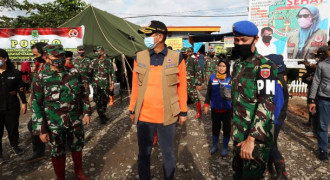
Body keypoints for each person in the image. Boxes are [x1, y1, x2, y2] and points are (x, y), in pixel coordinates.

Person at [128, 20, 188, 180]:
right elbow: (135, 86)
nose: (145, 38)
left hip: (167, 117)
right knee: (144, 154)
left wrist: (183, 111)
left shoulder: (177, 57)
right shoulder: (139, 57)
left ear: (160, 37)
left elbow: (182, 87)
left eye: (148, 35)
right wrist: (132, 109)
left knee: (168, 154)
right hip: (144, 116)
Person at [31, 44, 91, 179]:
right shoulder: (40, 78)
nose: (60, 58)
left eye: (62, 55)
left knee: (77, 145)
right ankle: (60, 177)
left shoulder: (74, 73)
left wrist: (87, 112)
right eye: (56, 56)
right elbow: (36, 104)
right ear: (46, 58)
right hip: (54, 123)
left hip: (74, 119)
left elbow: (84, 94)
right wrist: (41, 129)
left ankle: (78, 171)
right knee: (57, 151)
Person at [231, 20, 277, 179]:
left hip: (254, 139)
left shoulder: (265, 66)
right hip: (238, 134)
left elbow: (267, 105)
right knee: (238, 174)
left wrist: (251, 140)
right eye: (237, 40)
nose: (239, 44)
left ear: (255, 39)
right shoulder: (237, 65)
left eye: (244, 40)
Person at [0, 49, 27, 163]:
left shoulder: (15, 72)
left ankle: (15, 146)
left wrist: (24, 102)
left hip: (11, 106)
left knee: (13, 128)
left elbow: (20, 88)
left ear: (5, 59)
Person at [265, 54, 288, 179]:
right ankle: (270, 167)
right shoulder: (277, 78)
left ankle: (282, 172)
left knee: (271, 144)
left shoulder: (276, 81)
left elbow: (278, 103)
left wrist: (273, 120)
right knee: (270, 142)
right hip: (276, 117)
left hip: (275, 118)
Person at [24, 42, 49, 162]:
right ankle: (39, 152)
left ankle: (65, 147)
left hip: (49, 103)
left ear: (44, 52)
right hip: (39, 102)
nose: (35, 56)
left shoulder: (50, 65)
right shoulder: (40, 65)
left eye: (36, 54)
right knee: (34, 125)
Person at [204, 59, 231, 156]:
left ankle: (224, 147)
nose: (221, 68)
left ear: (227, 68)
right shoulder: (212, 78)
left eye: (224, 66)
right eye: (220, 66)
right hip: (215, 109)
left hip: (227, 110)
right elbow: (208, 92)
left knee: (226, 129)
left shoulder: (231, 79)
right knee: (215, 128)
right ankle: (214, 145)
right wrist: (206, 104)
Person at [308, 45, 330, 162]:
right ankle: (323, 151)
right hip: (324, 99)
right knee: (322, 126)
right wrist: (312, 99)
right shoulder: (322, 65)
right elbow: (316, 82)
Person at [90, 46, 117, 124]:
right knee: (98, 101)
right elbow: (89, 73)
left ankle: (103, 113)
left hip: (105, 85)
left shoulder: (108, 61)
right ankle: (101, 116)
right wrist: (90, 82)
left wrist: (112, 84)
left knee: (105, 100)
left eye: (98, 51)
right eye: (95, 52)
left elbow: (112, 73)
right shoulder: (93, 61)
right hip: (96, 86)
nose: (96, 53)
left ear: (102, 52)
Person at [185, 47, 203, 119]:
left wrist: (199, 83)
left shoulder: (193, 60)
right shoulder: (183, 60)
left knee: (194, 96)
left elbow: (198, 71)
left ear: (190, 53)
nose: (186, 53)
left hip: (191, 82)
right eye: (184, 52)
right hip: (183, 81)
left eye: (187, 52)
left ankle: (199, 112)